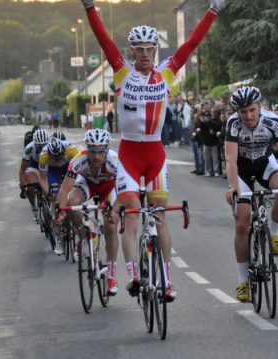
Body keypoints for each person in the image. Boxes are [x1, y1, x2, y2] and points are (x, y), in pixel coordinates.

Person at [82, 0, 225, 301]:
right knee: (132, 218)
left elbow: (192, 43)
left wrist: (212, 11)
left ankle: (168, 281)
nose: (145, 54)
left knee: (160, 219)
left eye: (150, 49)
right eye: (140, 49)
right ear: (131, 50)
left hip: (155, 156)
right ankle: (133, 273)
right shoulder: (121, 72)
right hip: (130, 157)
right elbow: (103, 40)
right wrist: (89, 7)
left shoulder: (167, 73)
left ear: (155, 51)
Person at [223, 87, 278, 302]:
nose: (249, 116)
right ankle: (243, 281)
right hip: (242, 169)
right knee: (242, 222)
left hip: (265, 162)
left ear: (260, 107)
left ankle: (274, 235)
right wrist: (233, 186)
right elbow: (231, 160)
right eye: (243, 111)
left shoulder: (273, 121)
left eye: (252, 110)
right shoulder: (233, 124)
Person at [56, 129, 121, 295]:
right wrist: (60, 213)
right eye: (93, 152)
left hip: (109, 187)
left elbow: (124, 190)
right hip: (87, 184)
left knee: (111, 227)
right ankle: (84, 234)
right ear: (87, 150)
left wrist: (115, 210)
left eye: (101, 152)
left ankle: (112, 274)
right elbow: (65, 190)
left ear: (106, 150)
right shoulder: (79, 160)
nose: (97, 157)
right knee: (72, 203)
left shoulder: (114, 161)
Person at [38, 137, 79, 255]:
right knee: (56, 197)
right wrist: (48, 193)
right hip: (53, 172)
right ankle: (58, 239)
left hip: (68, 168)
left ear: (63, 151)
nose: (57, 160)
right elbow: (43, 178)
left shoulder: (71, 150)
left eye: (60, 157)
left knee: (72, 197)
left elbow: (81, 172)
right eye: (54, 158)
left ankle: (77, 230)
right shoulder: (44, 156)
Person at [18, 128, 50, 213]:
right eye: (39, 146)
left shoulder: (52, 145)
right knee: (30, 186)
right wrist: (23, 186)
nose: (42, 148)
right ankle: (33, 205)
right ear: (34, 143)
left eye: (45, 145)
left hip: (49, 165)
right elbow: (22, 169)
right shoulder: (29, 148)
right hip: (34, 165)